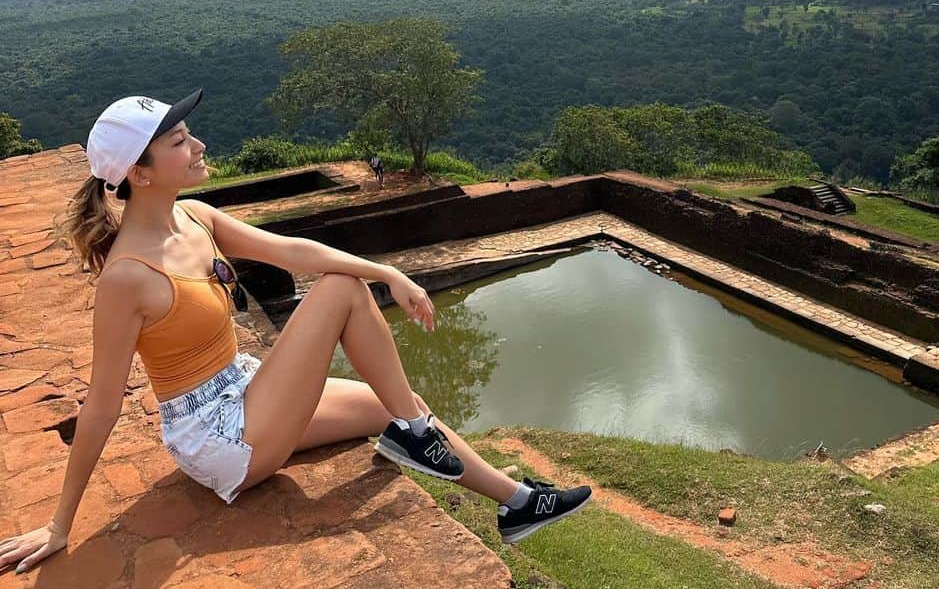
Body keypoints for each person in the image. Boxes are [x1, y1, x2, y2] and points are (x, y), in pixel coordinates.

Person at [0, 89, 590, 577]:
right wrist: (59, 525)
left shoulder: (194, 217)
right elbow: (101, 407)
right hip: (217, 436)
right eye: (179, 142)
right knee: (342, 292)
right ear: (138, 172)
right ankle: (414, 434)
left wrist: (387, 270)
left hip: (249, 391)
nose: (199, 145)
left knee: (400, 400)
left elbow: (291, 251)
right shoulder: (128, 277)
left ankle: (517, 503)